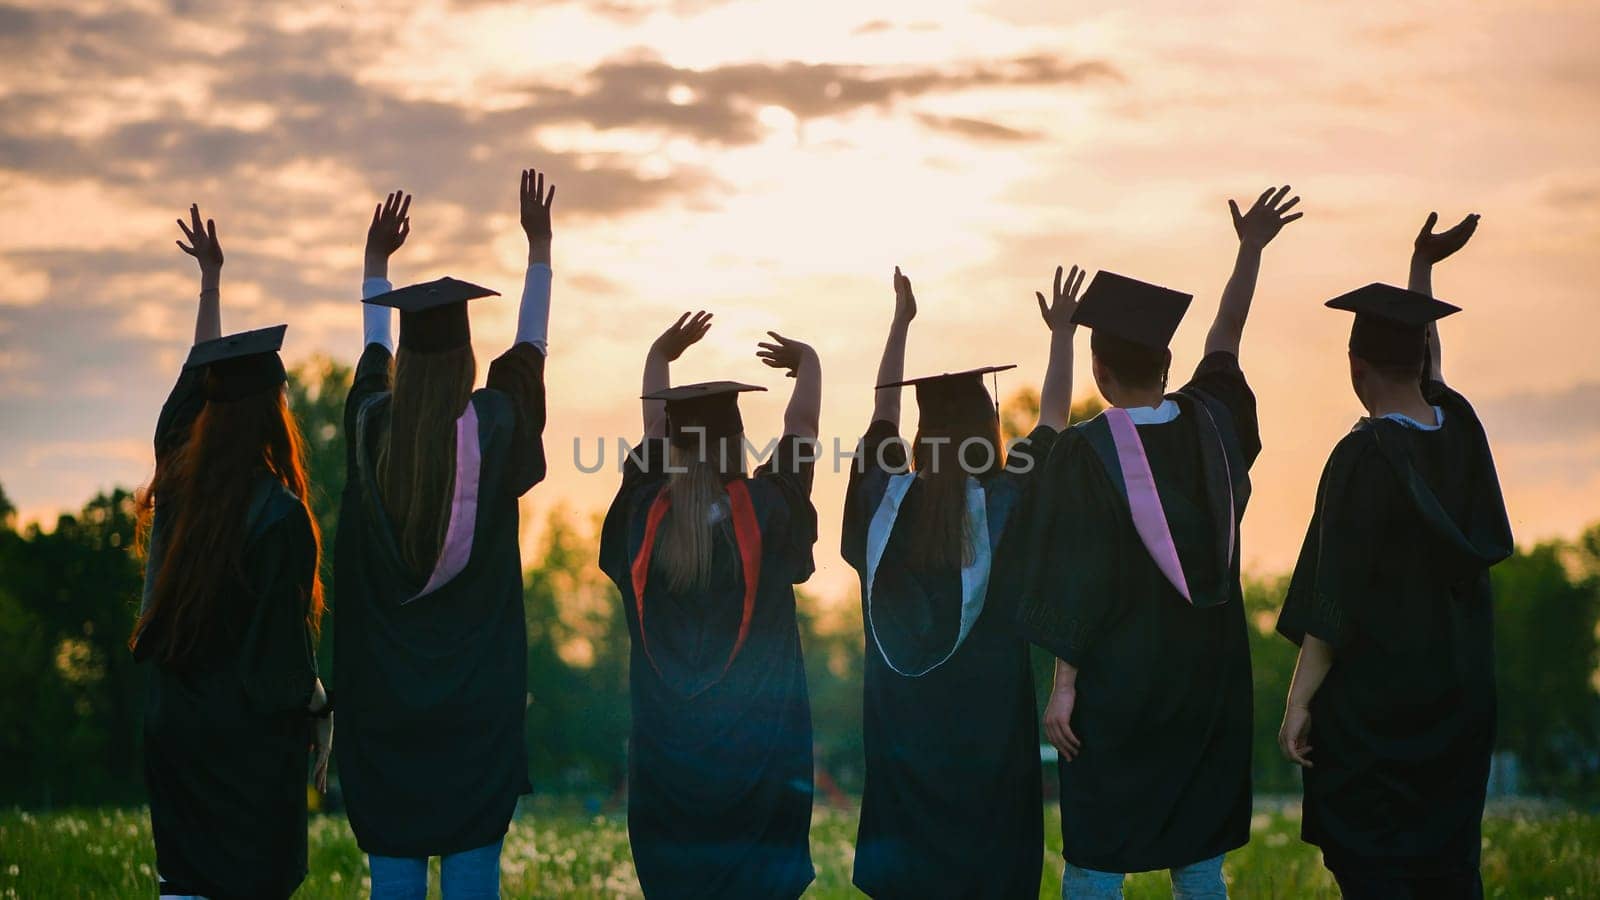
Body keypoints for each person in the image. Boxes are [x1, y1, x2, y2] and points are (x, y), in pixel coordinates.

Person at [1012, 185, 1303, 899]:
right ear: (1168, 366)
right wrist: (1249, 251)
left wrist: (1064, 687)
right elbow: (1226, 340)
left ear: (1099, 374)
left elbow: (1076, 578)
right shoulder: (1213, 426)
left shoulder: (1085, 453)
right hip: (1208, 682)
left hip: (1120, 688)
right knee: (1200, 858)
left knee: (1097, 856)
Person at [1275, 212, 1511, 900]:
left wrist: (1298, 704)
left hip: (1379, 720)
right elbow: (1430, 375)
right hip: (1457, 711)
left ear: (1355, 366)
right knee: (1448, 871)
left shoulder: (1363, 457)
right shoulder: (1460, 433)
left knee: (1379, 874)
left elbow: (1331, 598)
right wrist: (1421, 272)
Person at [332, 171, 554, 899]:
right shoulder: (492, 431)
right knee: (473, 881)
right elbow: (527, 357)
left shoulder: (371, 436)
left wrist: (376, 268)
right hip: (474, 717)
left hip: (385, 722)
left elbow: (370, 367)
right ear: (463, 359)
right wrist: (539, 251)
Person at [842, 264, 1082, 898]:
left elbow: (882, 416)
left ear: (924, 436)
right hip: (990, 733)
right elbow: (1054, 419)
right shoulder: (1008, 496)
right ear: (989, 430)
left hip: (902, 731)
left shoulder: (884, 503)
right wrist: (1063, 334)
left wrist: (900, 322)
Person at [132, 205, 333, 900]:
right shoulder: (280, 517)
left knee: (184, 884)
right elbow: (278, 667)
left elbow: (192, 390)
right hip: (247, 754)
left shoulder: (178, 487)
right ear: (277, 408)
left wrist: (210, 286)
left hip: (176, 733)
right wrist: (317, 703)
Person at [597, 313, 821, 899]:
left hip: (669, 792)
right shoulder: (769, 512)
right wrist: (809, 365)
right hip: (758, 781)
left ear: (672, 444)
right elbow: (802, 430)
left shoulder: (646, 520)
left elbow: (650, 437)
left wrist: (658, 357)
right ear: (736, 442)